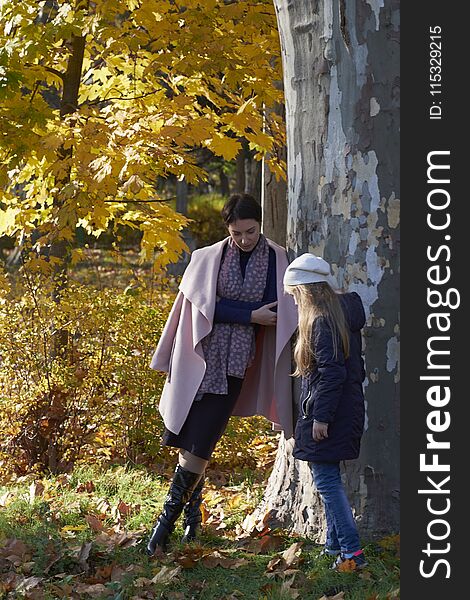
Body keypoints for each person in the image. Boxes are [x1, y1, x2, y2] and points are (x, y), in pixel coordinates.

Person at [146, 193, 298, 555]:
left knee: (201, 440)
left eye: (250, 231)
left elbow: (275, 307)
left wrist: (240, 312)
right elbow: (204, 304)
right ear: (227, 230)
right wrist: (249, 315)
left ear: (260, 225)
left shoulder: (277, 259)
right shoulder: (209, 257)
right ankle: (192, 521)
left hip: (236, 364)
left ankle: (162, 529)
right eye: (237, 233)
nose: (245, 239)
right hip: (199, 359)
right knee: (189, 439)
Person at [283, 253, 367, 570]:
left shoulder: (322, 320)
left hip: (330, 414)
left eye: (294, 295)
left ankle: (352, 554)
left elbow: (333, 374)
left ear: (305, 290)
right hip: (344, 409)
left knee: (328, 483)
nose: (294, 302)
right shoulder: (338, 315)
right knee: (328, 479)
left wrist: (321, 418)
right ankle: (334, 547)